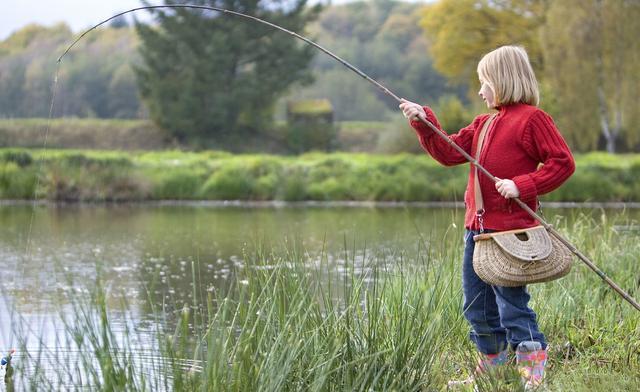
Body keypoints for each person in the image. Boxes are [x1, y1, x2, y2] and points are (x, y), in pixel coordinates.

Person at [399, 45, 575, 389]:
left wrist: (522, 185)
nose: (480, 91)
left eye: (484, 82)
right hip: (476, 231)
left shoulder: (532, 119)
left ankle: (532, 363)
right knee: (476, 304)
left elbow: (562, 163)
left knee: (512, 304)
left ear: (503, 80)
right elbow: (450, 153)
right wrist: (424, 122)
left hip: (510, 232)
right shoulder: (484, 122)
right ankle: (493, 364)